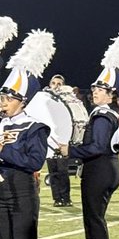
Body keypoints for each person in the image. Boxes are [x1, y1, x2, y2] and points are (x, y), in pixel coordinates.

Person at [71, 33, 119, 239]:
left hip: (99, 168)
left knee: (93, 217)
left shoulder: (101, 115)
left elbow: (97, 147)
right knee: (96, 216)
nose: (95, 91)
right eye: (95, 88)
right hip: (109, 168)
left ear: (111, 94)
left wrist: (69, 150)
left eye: (100, 89)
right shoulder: (109, 114)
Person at [0, 30, 54, 239]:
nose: (3, 100)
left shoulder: (35, 127)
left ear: (22, 100)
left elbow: (35, 160)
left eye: (8, 97)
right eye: (2, 95)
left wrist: (4, 152)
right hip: (0, 192)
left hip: (21, 191)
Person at [44, 74, 73, 206]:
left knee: (62, 171)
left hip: (62, 139)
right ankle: (57, 199)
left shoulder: (67, 101)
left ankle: (66, 198)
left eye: (59, 84)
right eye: (54, 83)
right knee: (53, 172)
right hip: (50, 140)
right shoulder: (45, 100)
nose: (56, 86)